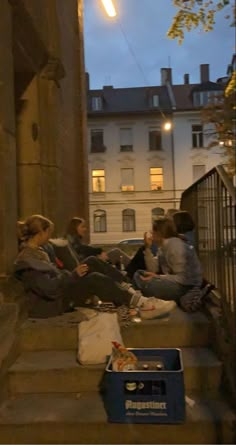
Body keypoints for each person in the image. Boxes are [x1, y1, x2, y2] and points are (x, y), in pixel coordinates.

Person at [14, 214, 176, 319]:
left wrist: (71, 274)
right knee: (94, 279)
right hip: (54, 303)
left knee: (91, 261)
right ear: (41, 233)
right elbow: (49, 288)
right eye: (49, 234)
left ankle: (130, 290)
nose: (49, 238)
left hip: (60, 290)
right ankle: (141, 304)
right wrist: (73, 275)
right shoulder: (28, 259)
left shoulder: (39, 250)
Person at [134, 217, 202, 303]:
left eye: (153, 231)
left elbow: (183, 278)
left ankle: (137, 295)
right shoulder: (163, 246)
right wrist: (147, 248)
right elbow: (153, 269)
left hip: (186, 287)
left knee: (145, 283)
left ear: (160, 233)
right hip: (176, 283)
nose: (151, 233)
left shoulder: (175, 246)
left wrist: (158, 277)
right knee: (139, 274)